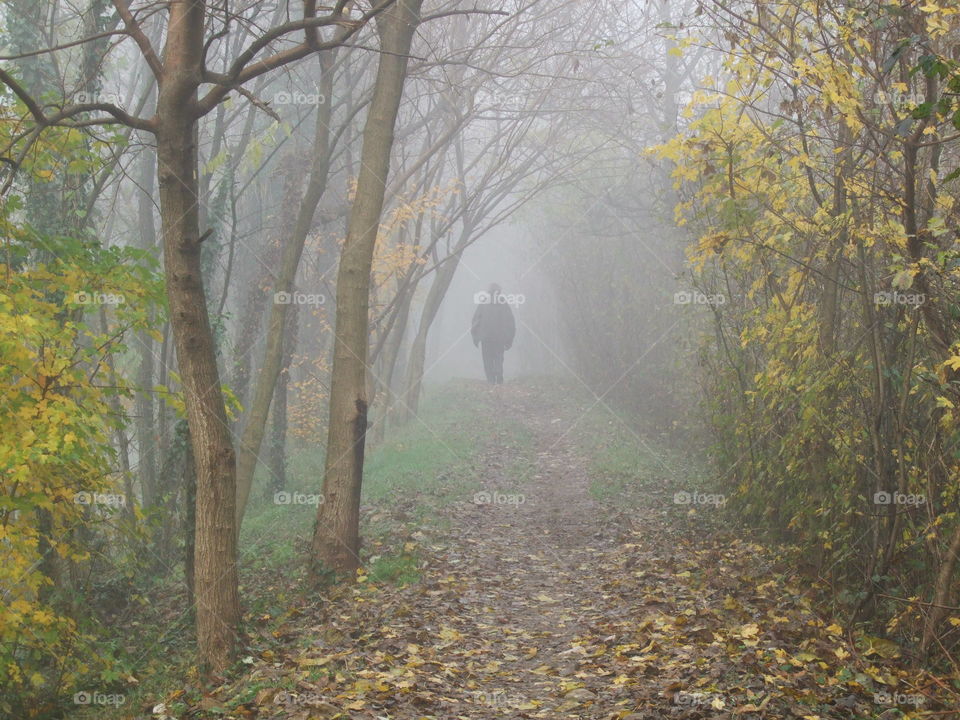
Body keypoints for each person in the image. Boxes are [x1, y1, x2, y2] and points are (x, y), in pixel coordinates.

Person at [471, 283, 516, 384]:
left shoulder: (483, 303)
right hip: (500, 338)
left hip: (486, 338)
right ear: (499, 291)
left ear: (489, 291)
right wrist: (509, 339)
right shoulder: (504, 304)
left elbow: (476, 321)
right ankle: (498, 373)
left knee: (487, 359)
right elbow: (510, 323)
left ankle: (491, 380)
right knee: (499, 356)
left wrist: (476, 337)